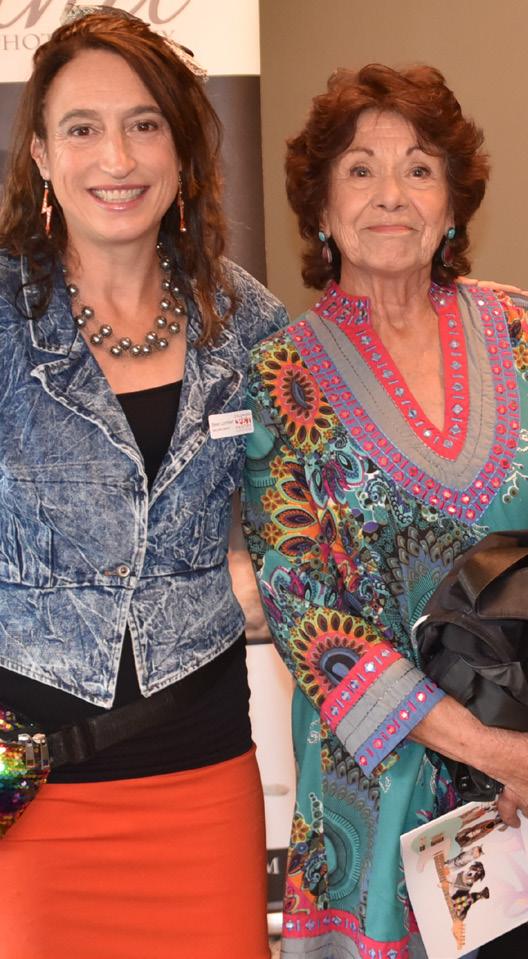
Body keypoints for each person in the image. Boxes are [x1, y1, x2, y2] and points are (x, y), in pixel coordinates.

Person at [242, 64, 528, 959]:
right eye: (360, 169)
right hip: (381, 802)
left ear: (454, 204)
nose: (391, 194)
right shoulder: (280, 379)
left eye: (420, 168)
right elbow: (310, 617)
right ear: (320, 207)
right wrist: (495, 752)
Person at [0, 7, 286, 959]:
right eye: (82, 128)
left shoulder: (247, 321)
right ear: (42, 154)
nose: (116, 157)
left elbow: (324, 486)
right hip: (28, 791)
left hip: (202, 776)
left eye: (144, 124)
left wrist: (451, 302)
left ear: (182, 148)